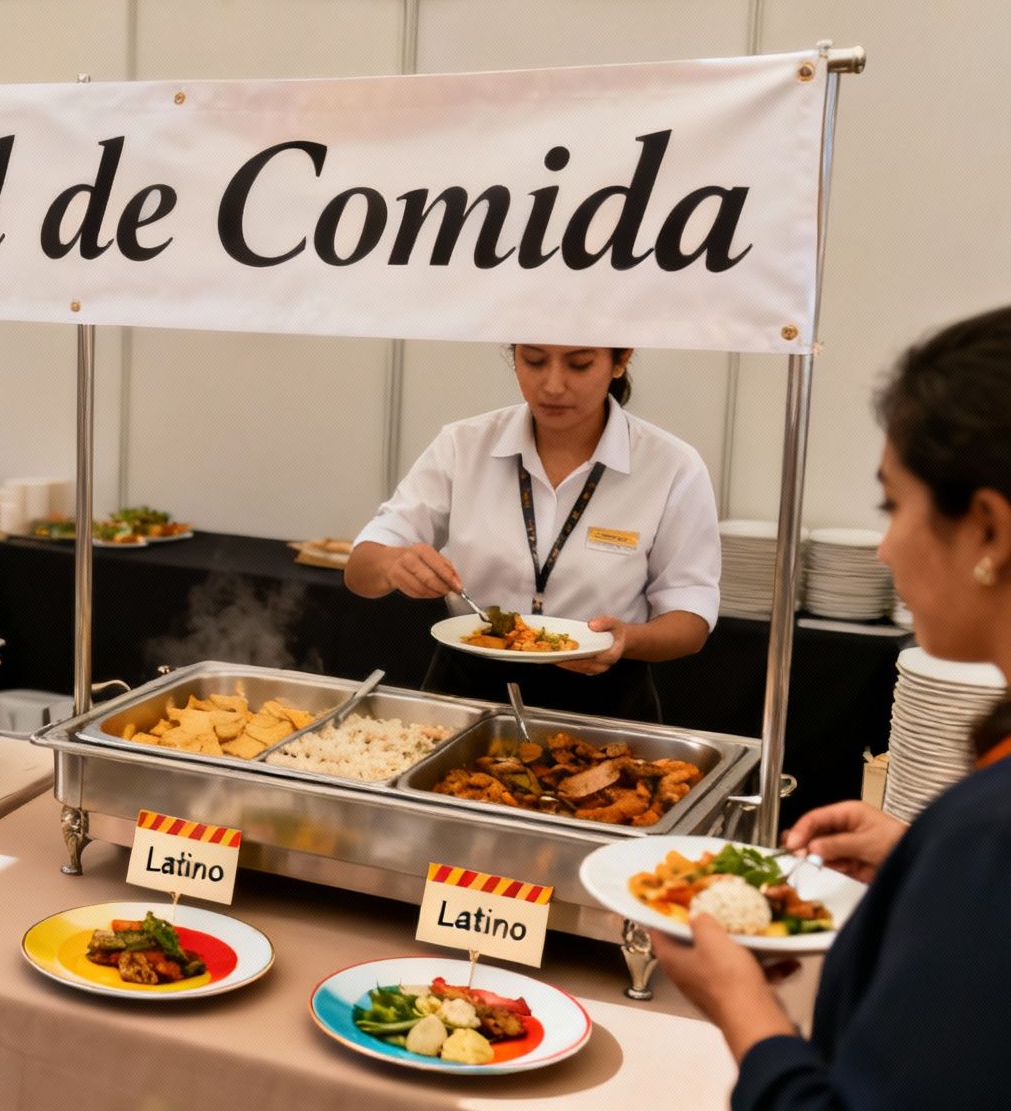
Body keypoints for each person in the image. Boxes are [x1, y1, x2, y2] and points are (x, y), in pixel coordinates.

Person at [654, 307, 1011, 1110]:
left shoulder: (992, 832)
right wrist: (919, 860)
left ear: (987, 526)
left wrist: (741, 1007)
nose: (884, 548)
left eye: (893, 506)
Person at [346, 345, 719, 720]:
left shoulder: (670, 466)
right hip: (465, 693)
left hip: (605, 701)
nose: (553, 385)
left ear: (620, 362)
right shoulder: (465, 445)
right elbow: (360, 570)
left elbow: (690, 620)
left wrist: (627, 639)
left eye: (580, 364)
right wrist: (394, 564)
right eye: (534, 361)